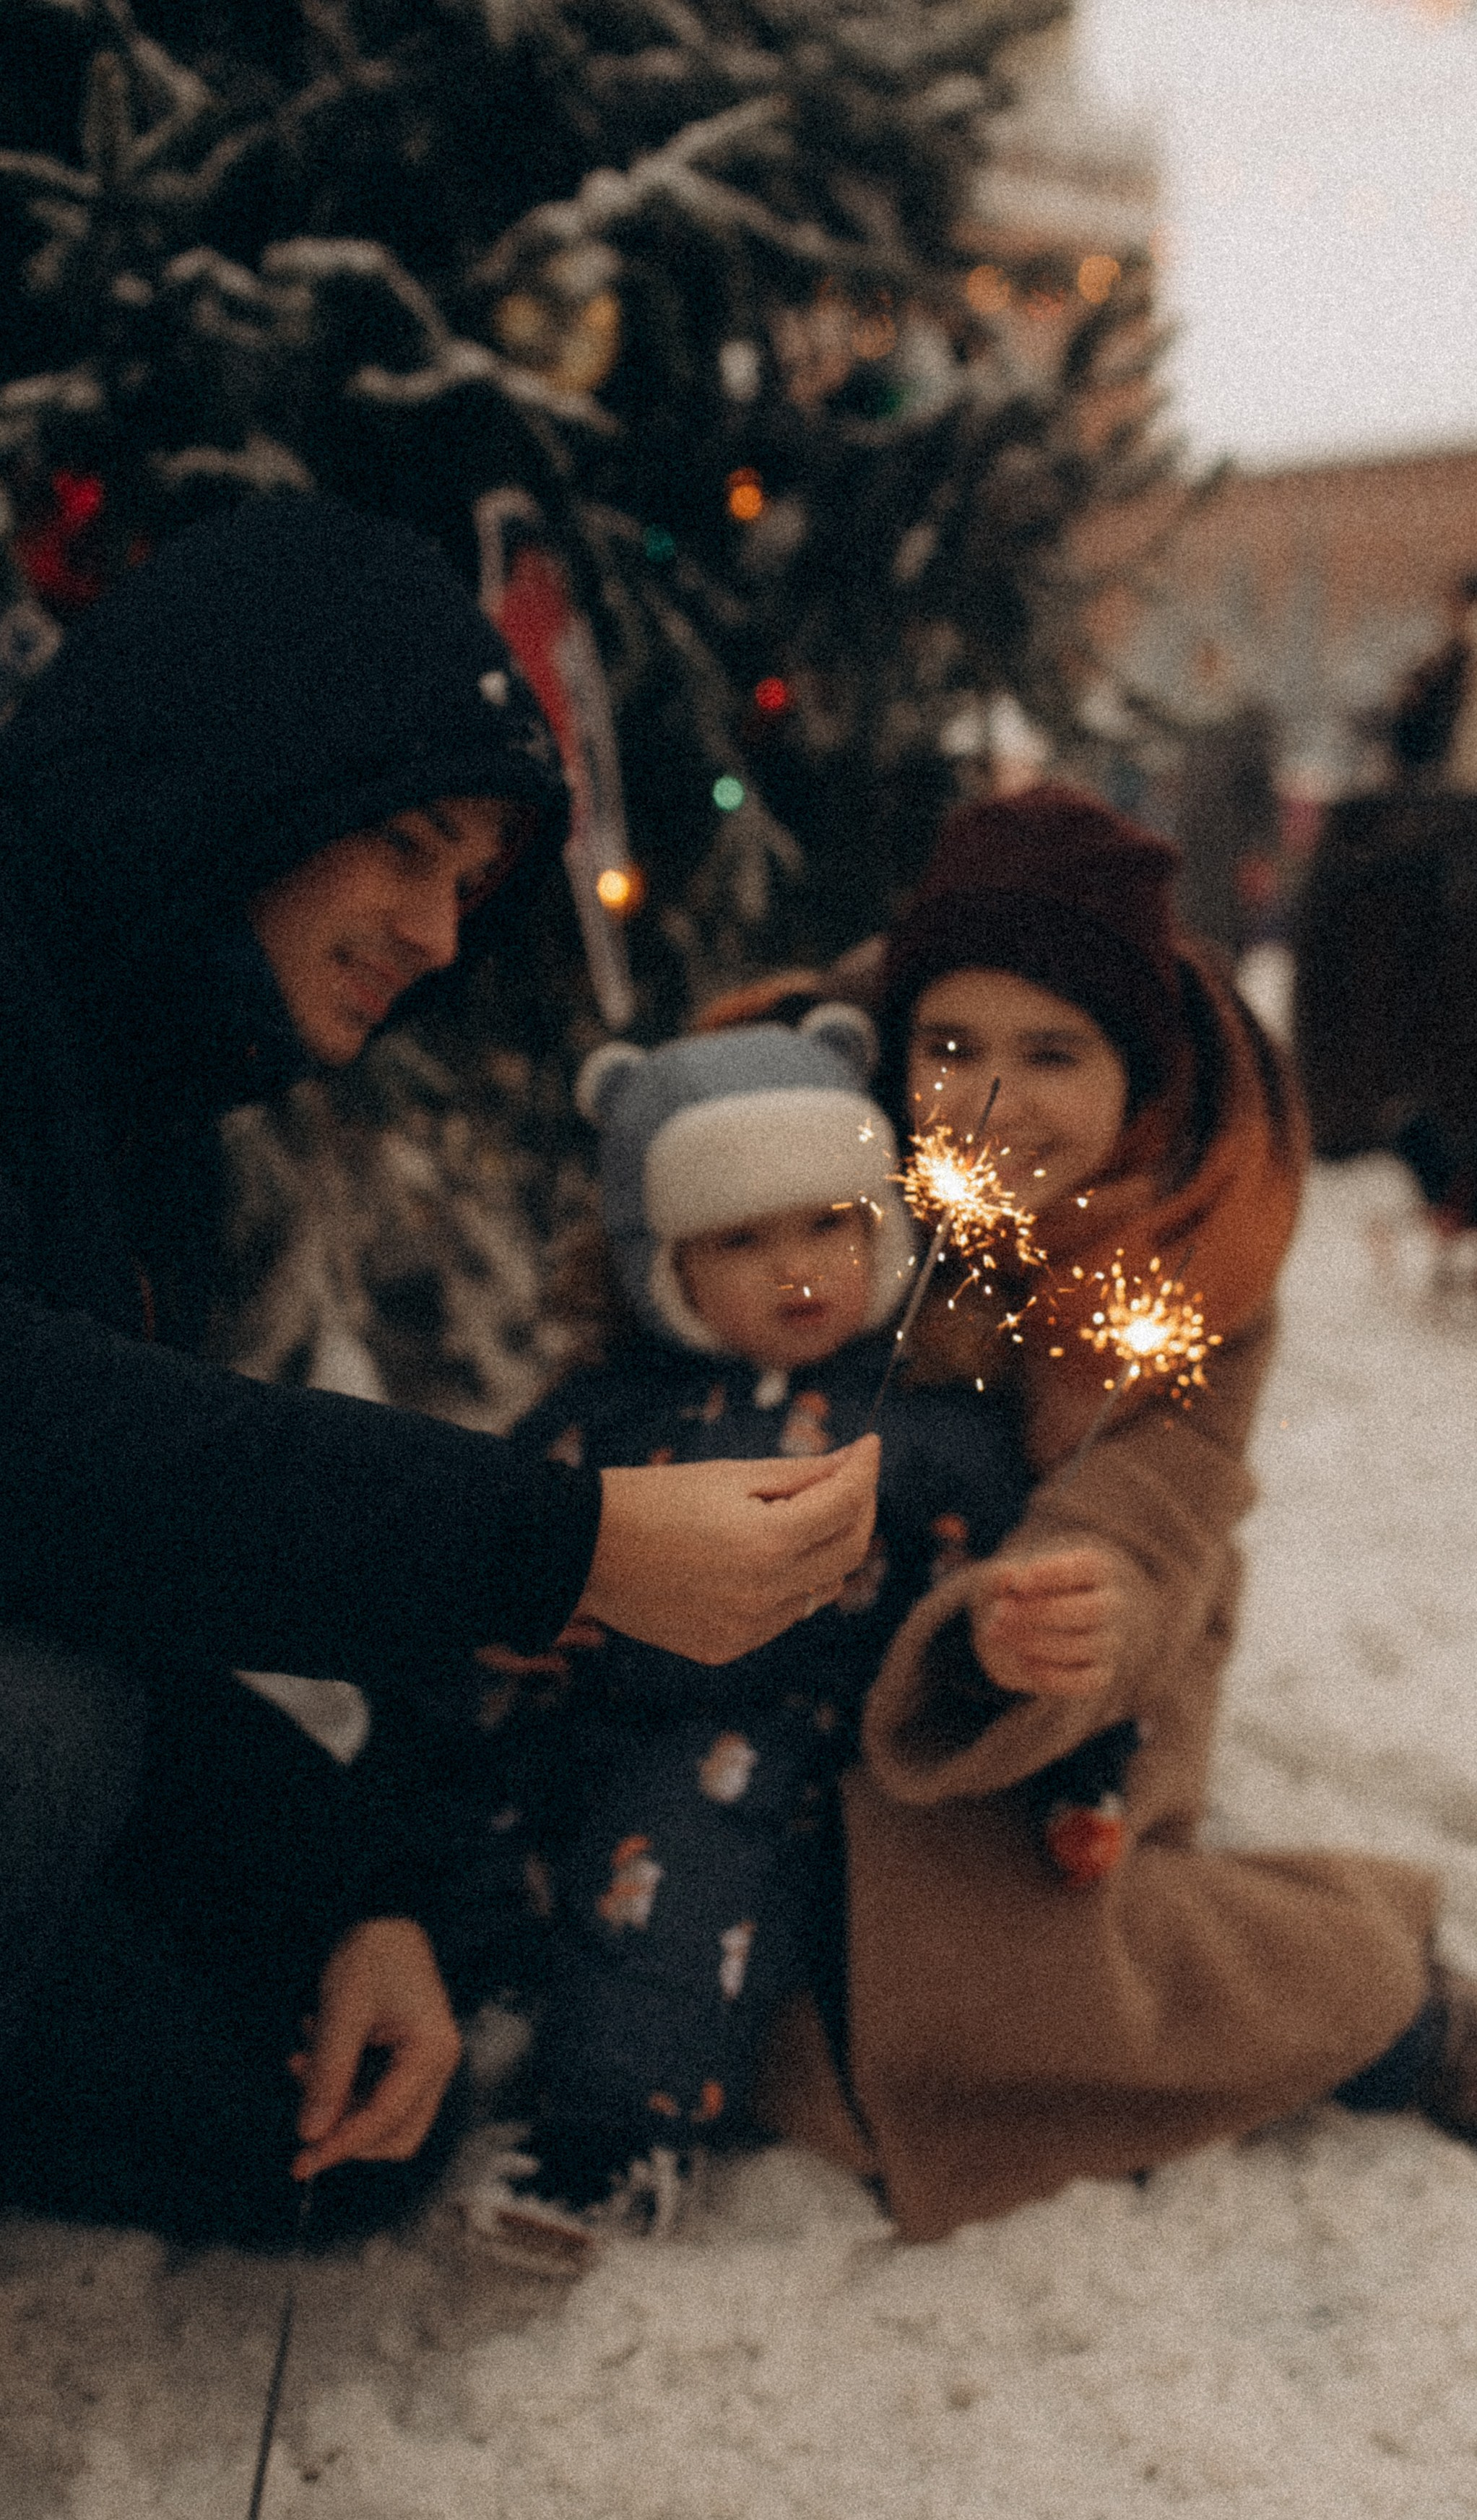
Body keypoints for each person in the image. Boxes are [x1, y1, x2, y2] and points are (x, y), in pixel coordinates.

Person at [0, 493, 876, 2247]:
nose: (437, 930)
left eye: (468, 883)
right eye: (405, 845)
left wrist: (351, 1900)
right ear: (241, 780)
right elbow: (44, 1449)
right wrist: (572, 1545)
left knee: (314, 2121)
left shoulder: (149, 1128)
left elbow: (103, 1559)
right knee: (45, 1724)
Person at [750, 783, 1477, 2243]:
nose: (989, 1095)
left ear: (1135, 1071)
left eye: (1051, 1053)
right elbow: (641, 1357)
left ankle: (1383, 2014)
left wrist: (1070, 1604)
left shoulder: (1182, 1241)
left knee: (1002, 1961)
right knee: (705, 1940)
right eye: (950, 1046)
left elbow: (1158, 1497)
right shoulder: (806, 1166)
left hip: (1064, 1649)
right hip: (776, 1633)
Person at [449, 1008, 1028, 2261]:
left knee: (686, 1846)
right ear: (659, 1263)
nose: (799, 1266)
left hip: (772, 1730)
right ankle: (472, 1995)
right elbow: (497, 1535)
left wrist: (1047, 1721)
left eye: (832, 1221)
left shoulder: (927, 1428)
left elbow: (1004, 1601)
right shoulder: (606, 1412)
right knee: (462, 1782)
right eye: (741, 1238)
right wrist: (498, 1617)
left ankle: (617, 2127)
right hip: (586, 1696)